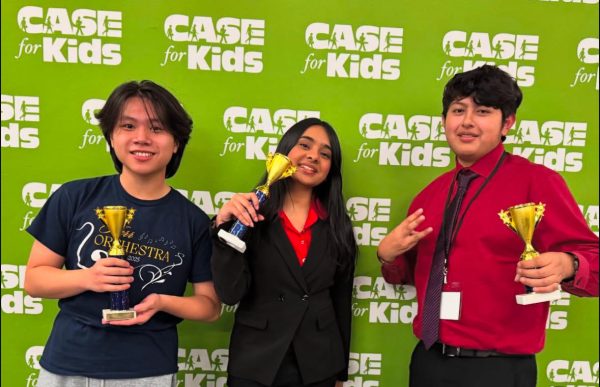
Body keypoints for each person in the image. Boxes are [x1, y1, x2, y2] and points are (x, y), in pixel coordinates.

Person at [377, 65, 599, 387]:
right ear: (444, 121)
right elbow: (413, 276)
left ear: (507, 123)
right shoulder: (430, 196)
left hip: (498, 369)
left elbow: (594, 262)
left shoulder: (537, 183)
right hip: (428, 361)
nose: (466, 121)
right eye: (457, 110)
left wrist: (569, 263)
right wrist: (388, 257)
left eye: (482, 111)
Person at [24, 80, 221, 386]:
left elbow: (209, 307)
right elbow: (34, 280)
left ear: (177, 142)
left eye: (156, 128)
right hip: (68, 363)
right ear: (111, 137)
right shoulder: (74, 197)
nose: (142, 138)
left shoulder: (193, 220)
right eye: (128, 125)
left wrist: (162, 302)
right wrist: (86, 278)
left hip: (147, 370)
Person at [211, 118, 357, 387]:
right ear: (285, 151)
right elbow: (230, 293)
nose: (313, 156)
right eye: (304, 145)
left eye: (325, 154)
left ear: (330, 168)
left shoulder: (338, 225)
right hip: (257, 362)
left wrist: (340, 374)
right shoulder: (250, 213)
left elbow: (341, 301)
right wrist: (222, 227)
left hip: (319, 365)